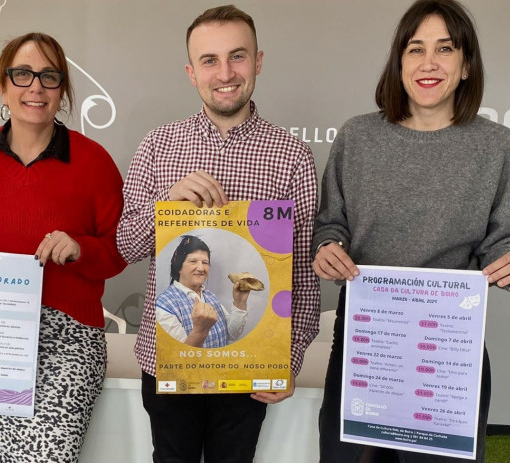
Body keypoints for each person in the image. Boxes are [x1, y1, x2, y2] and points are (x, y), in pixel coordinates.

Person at [312, 1, 510, 461]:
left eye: (445, 49)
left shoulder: (498, 147)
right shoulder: (357, 137)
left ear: (466, 64)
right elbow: (330, 225)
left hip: (450, 348)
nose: (428, 63)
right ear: (399, 63)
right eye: (415, 49)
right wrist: (328, 246)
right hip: (364, 345)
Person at [117, 5, 321, 462]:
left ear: (259, 61)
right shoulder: (157, 146)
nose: (225, 72)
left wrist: (290, 361)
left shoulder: (292, 156)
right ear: (191, 73)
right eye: (209, 60)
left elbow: (304, 278)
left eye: (238, 56)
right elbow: (126, 245)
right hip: (169, 363)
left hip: (250, 363)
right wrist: (166, 207)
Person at [0, 32, 127, 463]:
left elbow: (120, 250)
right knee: (1, 457)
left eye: (50, 76)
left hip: (68, 339)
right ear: (3, 84)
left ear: (63, 89)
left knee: (50, 456)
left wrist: (81, 248)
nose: (36, 87)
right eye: (23, 74)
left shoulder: (95, 162)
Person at [156, 235, 251, 348]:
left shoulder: (210, 296)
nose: (201, 268)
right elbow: (179, 358)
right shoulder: (164, 306)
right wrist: (200, 331)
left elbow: (231, 334)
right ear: (178, 267)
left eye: (205, 262)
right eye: (193, 261)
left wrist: (240, 303)